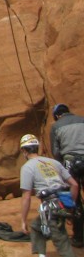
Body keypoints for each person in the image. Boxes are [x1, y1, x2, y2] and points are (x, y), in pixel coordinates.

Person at [19, 133, 84, 257]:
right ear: (37, 148)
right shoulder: (53, 162)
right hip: (62, 202)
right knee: (36, 226)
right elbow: (74, 184)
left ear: (24, 151)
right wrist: (70, 206)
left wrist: (23, 220)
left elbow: (26, 196)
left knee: (63, 245)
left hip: (51, 208)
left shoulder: (27, 167)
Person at [51, 103, 84, 247]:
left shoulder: (56, 126)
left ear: (57, 115)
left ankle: (79, 237)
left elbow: (56, 152)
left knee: (74, 199)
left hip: (71, 162)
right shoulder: (82, 120)